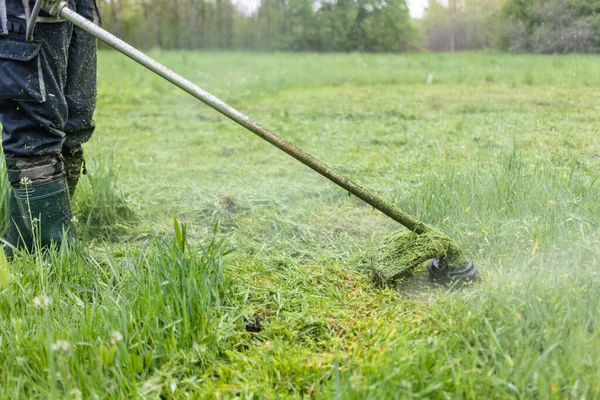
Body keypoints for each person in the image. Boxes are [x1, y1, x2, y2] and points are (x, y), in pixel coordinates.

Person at [0, 0, 101, 253]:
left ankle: (22, 246)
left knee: (74, 123)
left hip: (78, 8)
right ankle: (55, 255)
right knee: (34, 128)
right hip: (24, 11)